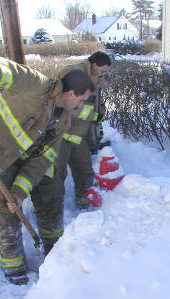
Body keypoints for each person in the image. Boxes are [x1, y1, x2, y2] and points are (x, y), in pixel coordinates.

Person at [0, 53, 94, 285]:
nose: (80, 107)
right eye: (81, 101)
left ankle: (53, 249)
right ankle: (13, 265)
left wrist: (20, 192)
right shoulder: (33, 84)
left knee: (53, 189)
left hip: (26, 158)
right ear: (70, 94)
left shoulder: (63, 121)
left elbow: (43, 160)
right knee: (5, 205)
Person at [57, 51, 111, 209]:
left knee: (84, 170)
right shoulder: (74, 73)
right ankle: (54, 207)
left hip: (79, 134)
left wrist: (98, 122)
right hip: (62, 132)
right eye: (103, 70)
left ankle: (84, 202)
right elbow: (63, 103)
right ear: (94, 65)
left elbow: (96, 104)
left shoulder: (96, 79)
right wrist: (92, 116)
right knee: (57, 173)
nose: (104, 74)